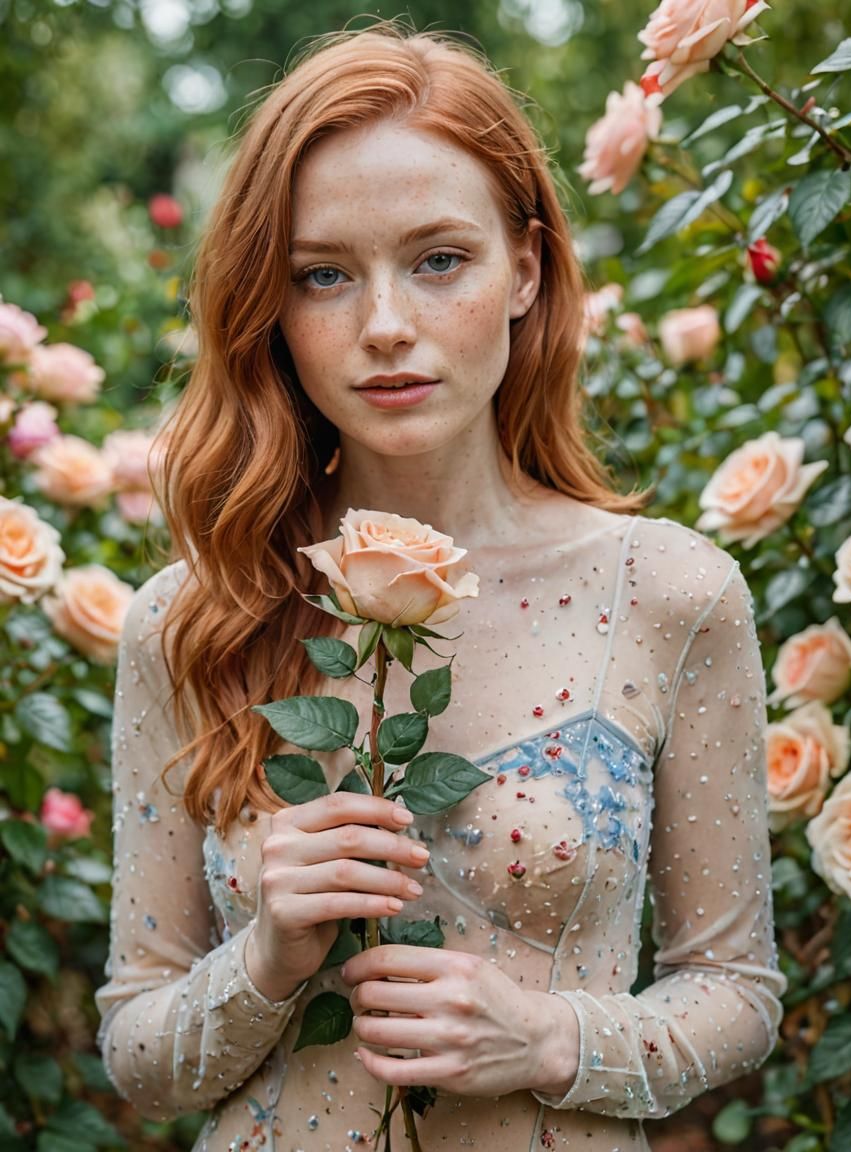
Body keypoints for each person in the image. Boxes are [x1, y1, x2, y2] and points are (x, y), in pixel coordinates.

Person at [95, 20, 786, 1152]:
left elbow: (735, 989)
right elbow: (139, 1050)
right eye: (323, 275)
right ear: (269, 307)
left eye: (437, 260)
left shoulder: (668, 591)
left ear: (524, 267)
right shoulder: (194, 614)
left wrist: (552, 1040)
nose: (383, 327)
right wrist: (265, 959)